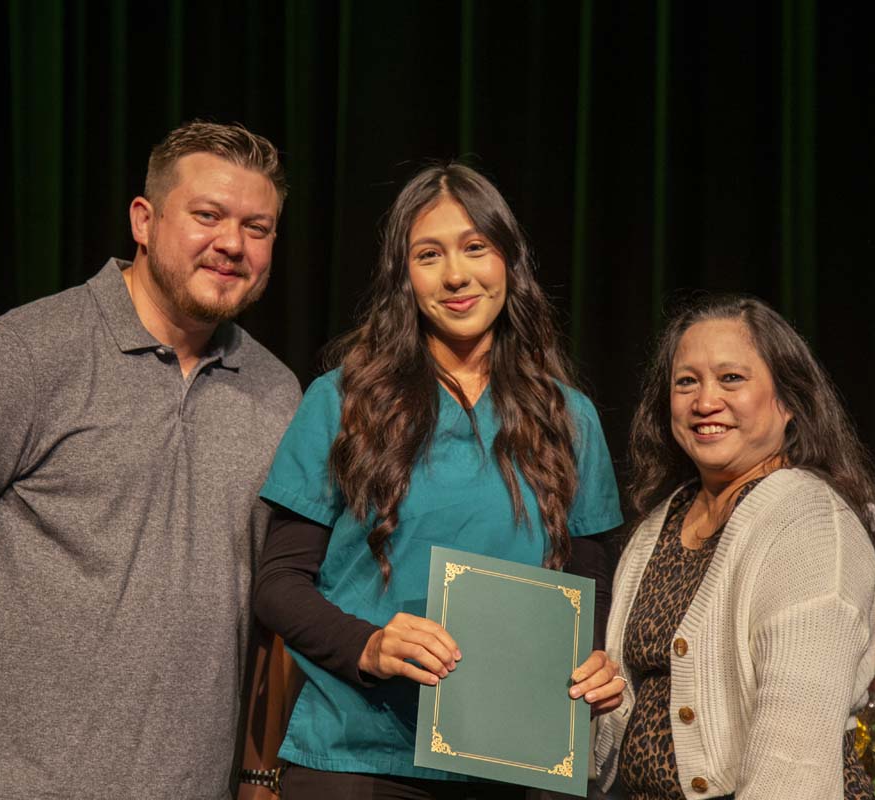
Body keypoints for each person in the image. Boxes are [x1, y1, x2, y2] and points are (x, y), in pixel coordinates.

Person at [0, 121, 302, 799]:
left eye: (258, 227)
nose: (232, 243)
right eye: (207, 215)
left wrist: (258, 773)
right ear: (144, 220)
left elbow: (269, 610)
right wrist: (3, 655)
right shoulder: (28, 351)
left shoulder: (278, 394)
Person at [249, 163, 625, 799]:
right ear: (403, 275)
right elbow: (279, 584)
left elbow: (588, 584)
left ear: (509, 260)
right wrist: (368, 645)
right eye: (429, 255)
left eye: (475, 247)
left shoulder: (569, 418)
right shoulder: (342, 401)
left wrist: (589, 666)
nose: (455, 275)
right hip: (360, 757)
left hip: (514, 763)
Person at [594, 293, 875, 799]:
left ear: (789, 401)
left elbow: (794, 755)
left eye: (731, 378)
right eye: (686, 382)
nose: (704, 402)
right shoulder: (661, 523)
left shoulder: (810, 525)